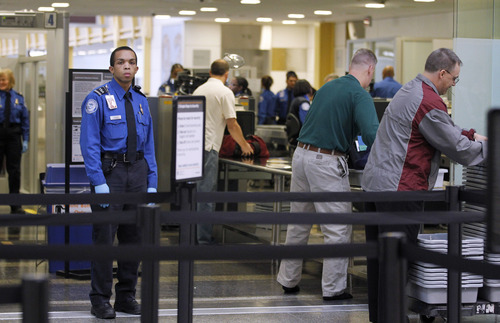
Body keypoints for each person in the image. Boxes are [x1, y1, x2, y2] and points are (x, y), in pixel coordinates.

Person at [362, 48, 487, 323]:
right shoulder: (429, 101)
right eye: (454, 79)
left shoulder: (411, 90)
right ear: (442, 73)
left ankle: (382, 318)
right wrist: (488, 149)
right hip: (399, 190)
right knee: (397, 262)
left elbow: (440, 128)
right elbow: (456, 148)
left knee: (381, 262)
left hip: (376, 187)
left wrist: (471, 133)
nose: (453, 85)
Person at [277, 49, 379, 300]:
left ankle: (288, 280)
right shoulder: (359, 93)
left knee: (298, 223)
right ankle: (333, 289)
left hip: (301, 156)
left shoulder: (326, 88)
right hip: (326, 162)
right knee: (337, 228)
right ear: (370, 70)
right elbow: (372, 135)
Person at [80, 46, 158, 320]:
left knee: (133, 239)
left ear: (136, 69)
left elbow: (149, 147)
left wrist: (152, 182)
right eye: (121, 62)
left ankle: (126, 296)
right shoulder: (97, 99)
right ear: (111, 69)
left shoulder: (141, 101)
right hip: (110, 174)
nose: (127, 66)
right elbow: (89, 145)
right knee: (104, 239)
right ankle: (100, 299)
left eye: (132, 62)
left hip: (137, 172)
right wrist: (98, 182)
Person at [193, 59, 254, 245]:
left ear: (210, 72)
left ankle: (195, 234)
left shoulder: (199, 90)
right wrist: (245, 145)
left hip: (194, 146)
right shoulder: (224, 92)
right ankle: (203, 239)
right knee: (206, 193)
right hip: (209, 147)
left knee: (197, 191)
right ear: (226, 75)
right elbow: (232, 124)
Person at [0, 68, 29, 217]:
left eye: (4, 79)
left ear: (10, 81)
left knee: (15, 172)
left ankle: (15, 205)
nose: (1, 82)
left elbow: (25, 120)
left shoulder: (18, 98)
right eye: (0, 80)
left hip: (13, 136)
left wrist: (26, 139)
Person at [285, 79, 313, 147]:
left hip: (295, 136)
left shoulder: (296, 100)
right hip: (301, 137)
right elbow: (306, 122)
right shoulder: (303, 103)